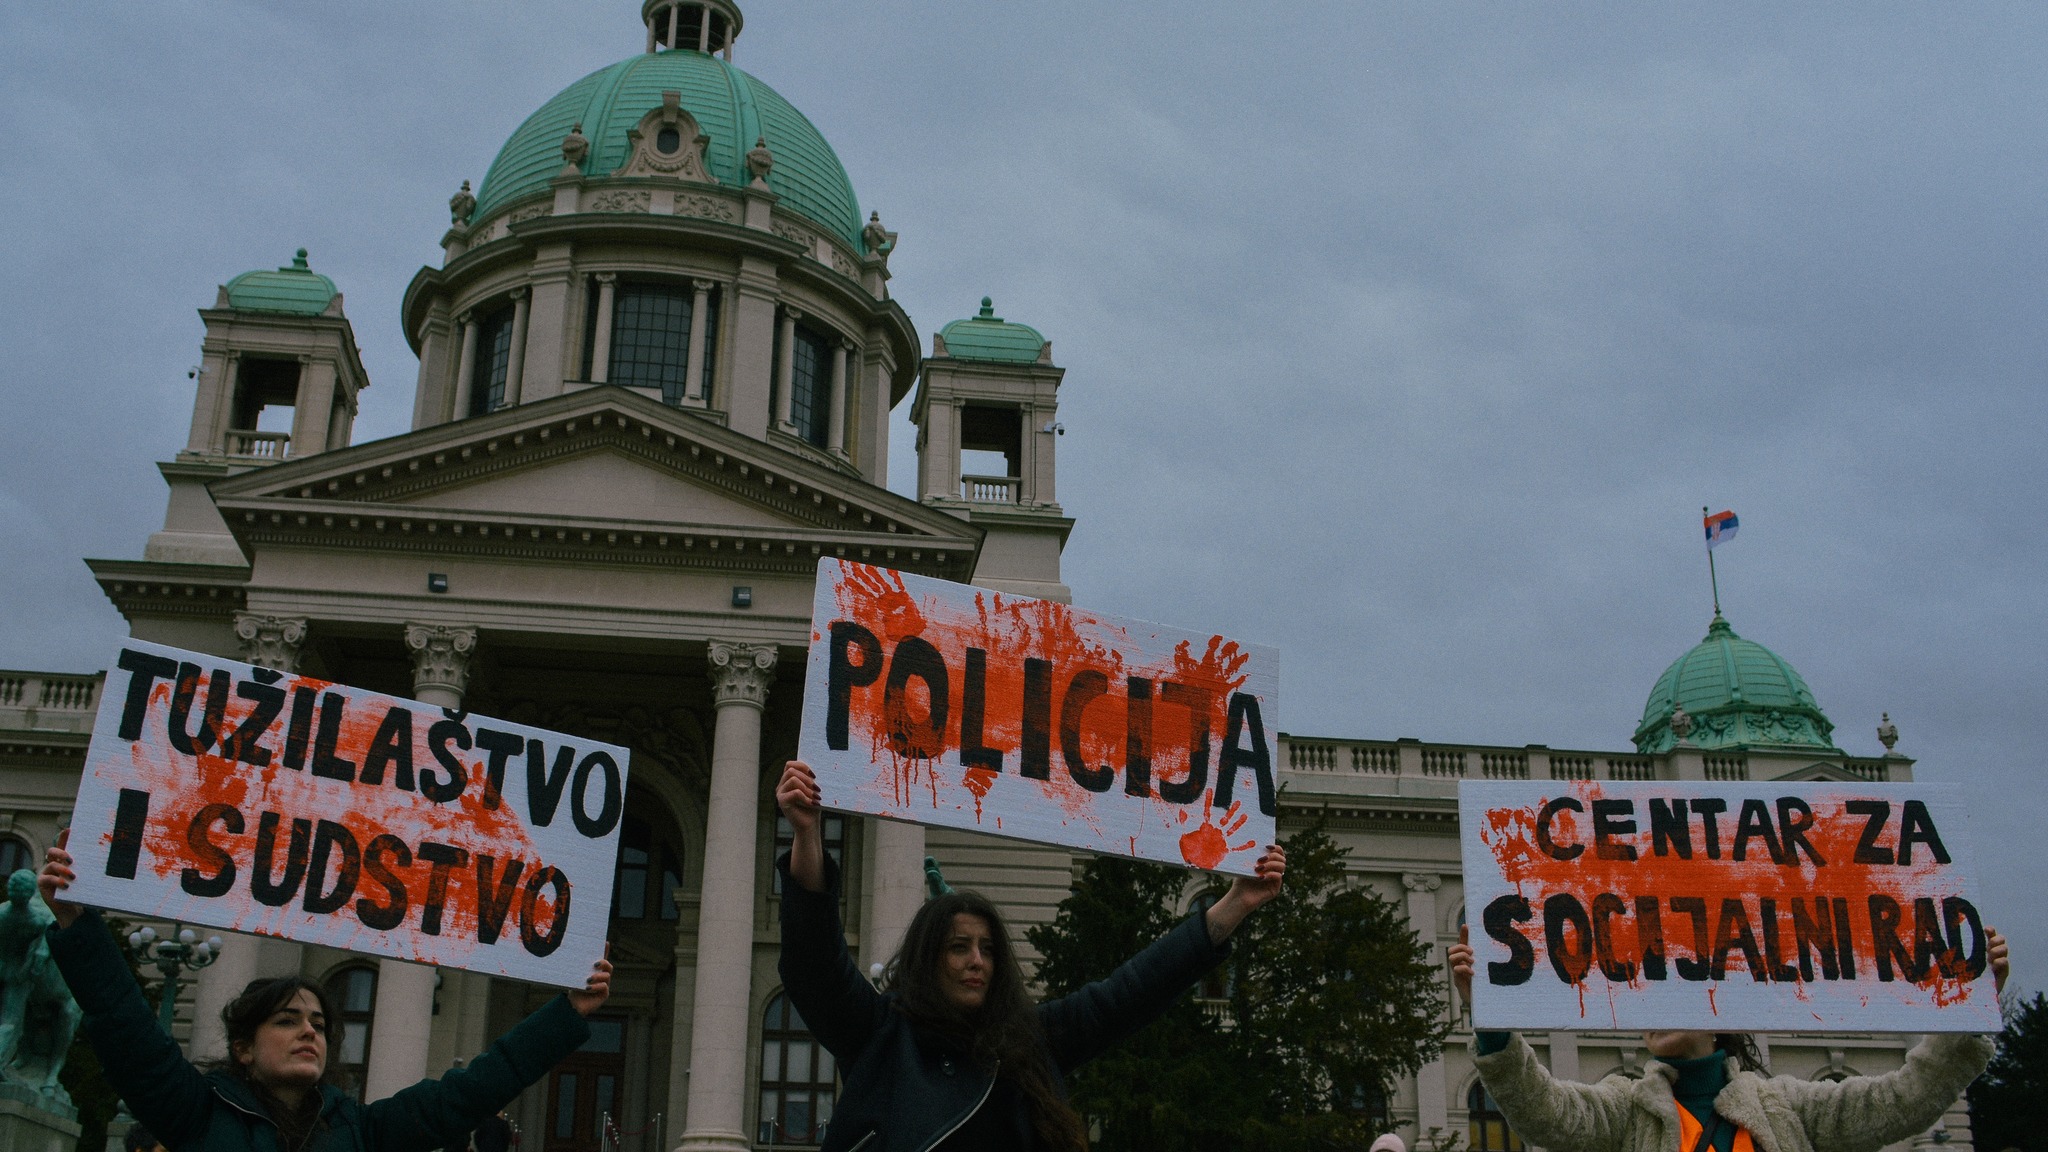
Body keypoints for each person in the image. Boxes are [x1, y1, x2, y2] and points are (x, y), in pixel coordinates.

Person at [775, 759, 1288, 1152]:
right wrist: (806, 832)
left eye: (988, 949)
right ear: (927, 960)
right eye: (959, 948)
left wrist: (1233, 906)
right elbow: (815, 965)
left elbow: (1129, 993)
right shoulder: (880, 1036)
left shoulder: (1028, 1044)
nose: (978, 960)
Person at [38, 830, 612, 1152]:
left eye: (318, 1022)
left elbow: (471, 1091)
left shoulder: (359, 1130)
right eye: (287, 1020)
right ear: (244, 1046)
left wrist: (567, 1012)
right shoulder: (193, 1113)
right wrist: (75, 924)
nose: (309, 1030)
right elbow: (124, 1024)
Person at [1446, 922, 2009, 1152]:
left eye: (1673, 990)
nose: (1654, 1007)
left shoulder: (1784, 1104)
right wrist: (1492, 1017)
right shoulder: (1625, 1108)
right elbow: (1543, 1111)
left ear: (1719, 1002)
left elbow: (1903, 1102)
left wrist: (1971, 1008)